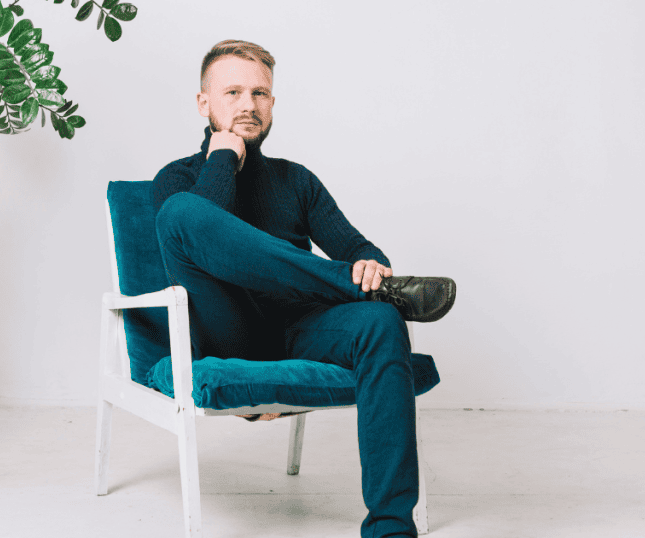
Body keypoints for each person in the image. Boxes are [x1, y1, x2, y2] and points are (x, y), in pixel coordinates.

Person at [152, 39, 456, 538]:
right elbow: (207, 226)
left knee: (381, 317)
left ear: (273, 103)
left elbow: (359, 249)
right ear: (204, 103)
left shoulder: (296, 180)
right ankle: (347, 287)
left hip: (300, 329)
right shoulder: (176, 179)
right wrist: (223, 158)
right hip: (228, 331)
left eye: (260, 93)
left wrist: (370, 267)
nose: (248, 105)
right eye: (232, 92)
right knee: (181, 213)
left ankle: (391, 526)